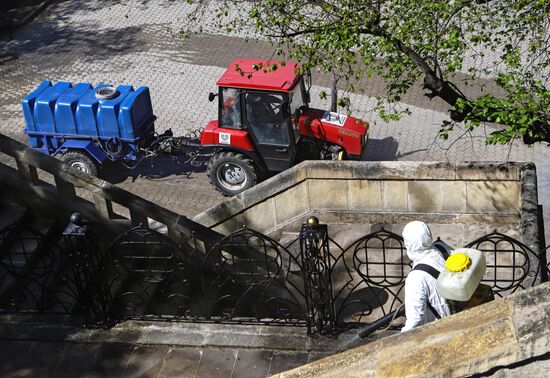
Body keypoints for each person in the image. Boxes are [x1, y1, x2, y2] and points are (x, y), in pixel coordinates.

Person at [401, 221, 451, 332]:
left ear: (407, 244)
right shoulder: (443, 248)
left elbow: (414, 321)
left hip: (438, 330)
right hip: (457, 316)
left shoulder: (416, 278)